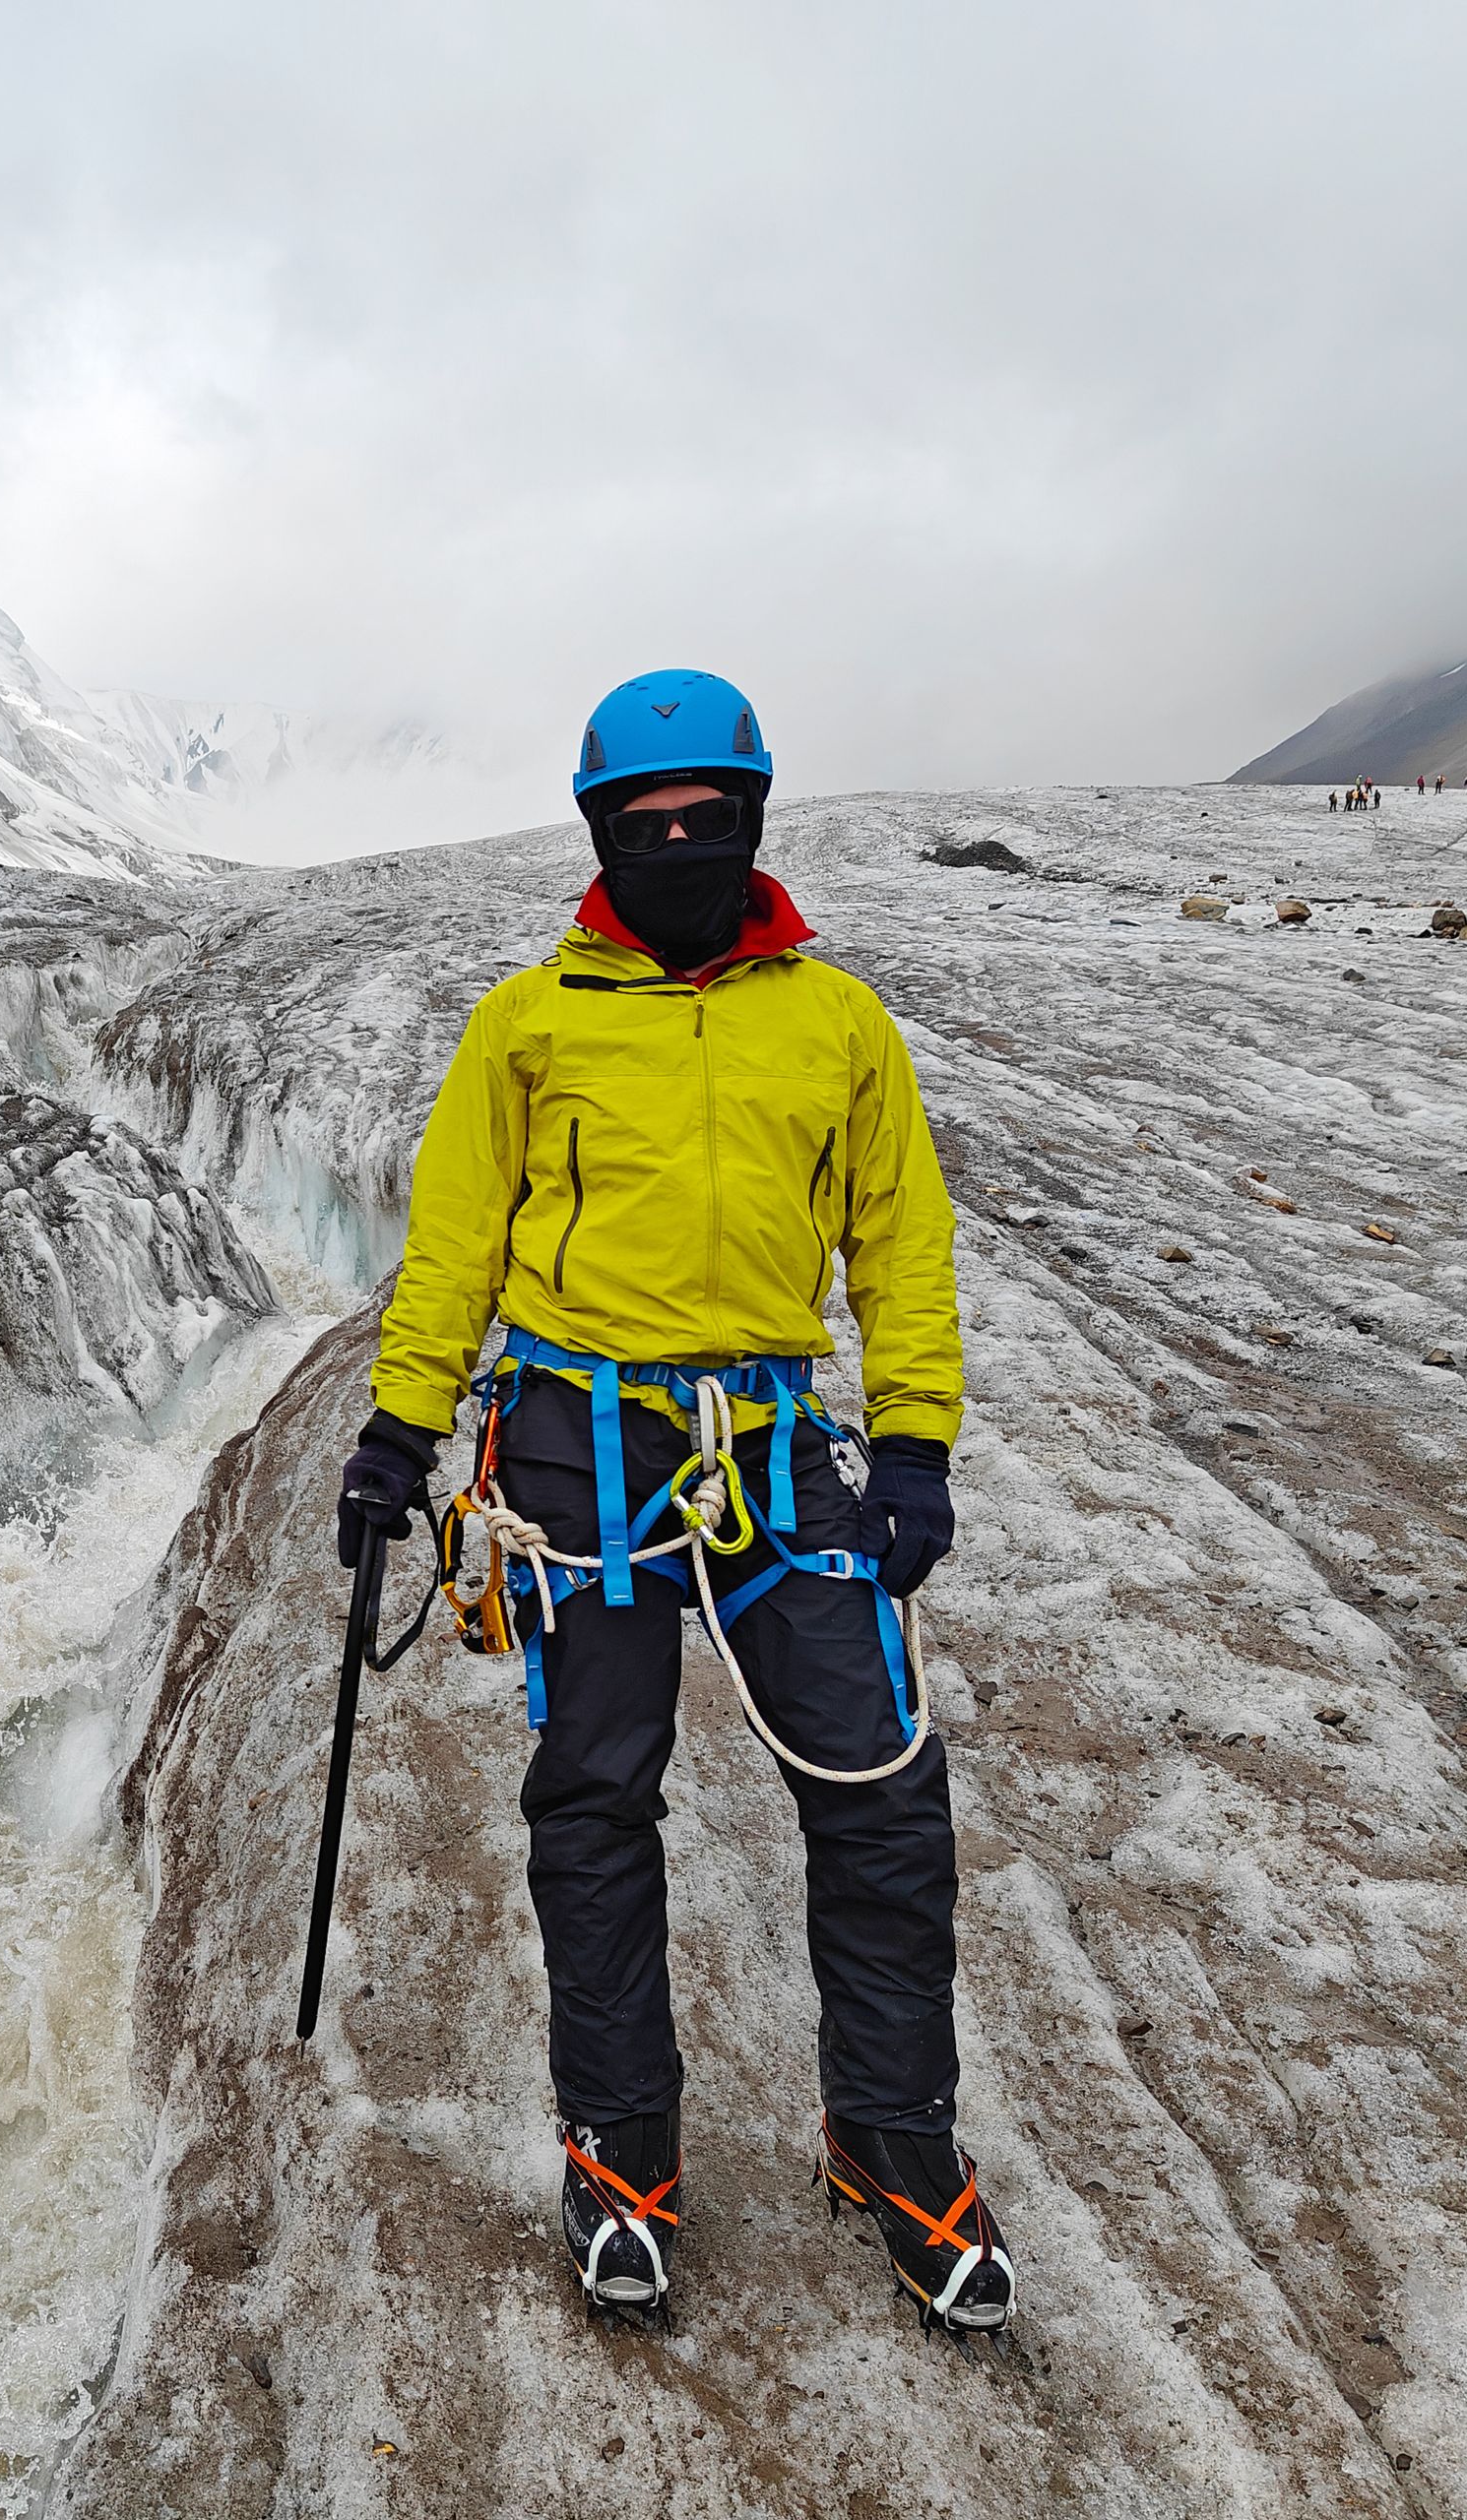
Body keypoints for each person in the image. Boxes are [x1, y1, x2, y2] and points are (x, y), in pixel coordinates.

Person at [336, 669, 1014, 2335]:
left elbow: (897, 1245)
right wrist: (395, 1432)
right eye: (643, 829)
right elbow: (454, 1249)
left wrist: (913, 1444)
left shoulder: (835, 1023)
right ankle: (621, 2153)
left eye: (707, 822)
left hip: (778, 1449)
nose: (677, 847)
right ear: (596, 836)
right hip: (578, 1449)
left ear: (754, 822)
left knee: (877, 1799)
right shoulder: (528, 1021)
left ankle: (893, 2140)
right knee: (592, 1808)